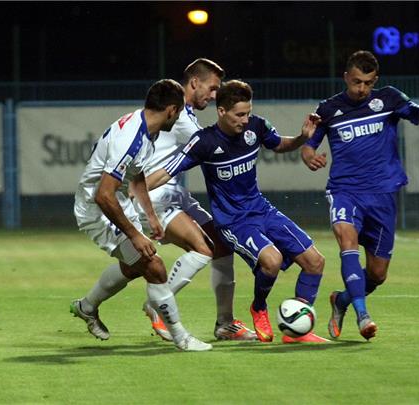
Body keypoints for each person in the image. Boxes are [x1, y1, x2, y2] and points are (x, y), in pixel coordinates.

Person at [146, 80, 328, 344]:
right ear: (221, 111)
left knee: (315, 262)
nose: (245, 120)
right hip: (232, 222)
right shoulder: (204, 142)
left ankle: (297, 329)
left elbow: (279, 145)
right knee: (272, 260)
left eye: (248, 113)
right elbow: (166, 171)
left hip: (261, 209)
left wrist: (302, 138)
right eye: (239, 114)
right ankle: (259, 307)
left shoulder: (256, 127)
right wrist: (133, 190)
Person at [301, 50, 419, 341]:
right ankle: (363, 315)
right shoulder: (328, 109)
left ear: (375, 80)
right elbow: (308, 146)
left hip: (383, 194)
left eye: (367, 82)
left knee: (377, 274)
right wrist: (310, 156)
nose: (361, 88)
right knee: (346, 240)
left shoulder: (389, 99)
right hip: (345, 191)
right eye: (355, 82)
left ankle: (341, 301)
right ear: (345, 78)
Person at [70, 79, 212, 351]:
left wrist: (151, 216)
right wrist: (135, 235)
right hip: (96, 208)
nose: (180, 116)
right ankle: (181, 337)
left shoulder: (148, 128)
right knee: (154, 266)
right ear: (171, 110)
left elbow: (136, 175)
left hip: (118, 201)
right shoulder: (132, 137)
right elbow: (103, 195)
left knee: (136, 266)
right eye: (180, 111)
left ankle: (86, 307)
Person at [133, 59, 257, 342]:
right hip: (156, 196)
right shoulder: (180, 118)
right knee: (204, 248)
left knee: (222, 244)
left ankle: (225, 324)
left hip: (174, 194)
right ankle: (157, 303)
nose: (214, 96)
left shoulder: (185, 114)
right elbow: (218, 147)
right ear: (194, 83)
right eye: (212, 89)